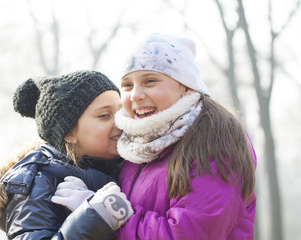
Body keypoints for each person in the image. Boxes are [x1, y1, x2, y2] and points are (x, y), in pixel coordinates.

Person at [54, 33, 257, 239]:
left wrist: (103, 213)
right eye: (127, 85)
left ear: (186, 86)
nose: (135, 95)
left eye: (150, 81)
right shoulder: (134, 144)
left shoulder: (214, 141)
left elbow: (186, 234)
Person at [0, 70, 133, 239]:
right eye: (104, 115)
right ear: (69, 133)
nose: (119, 122)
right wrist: (92, 218)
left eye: (120, 112)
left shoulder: (126, 166)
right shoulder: (39, 183)